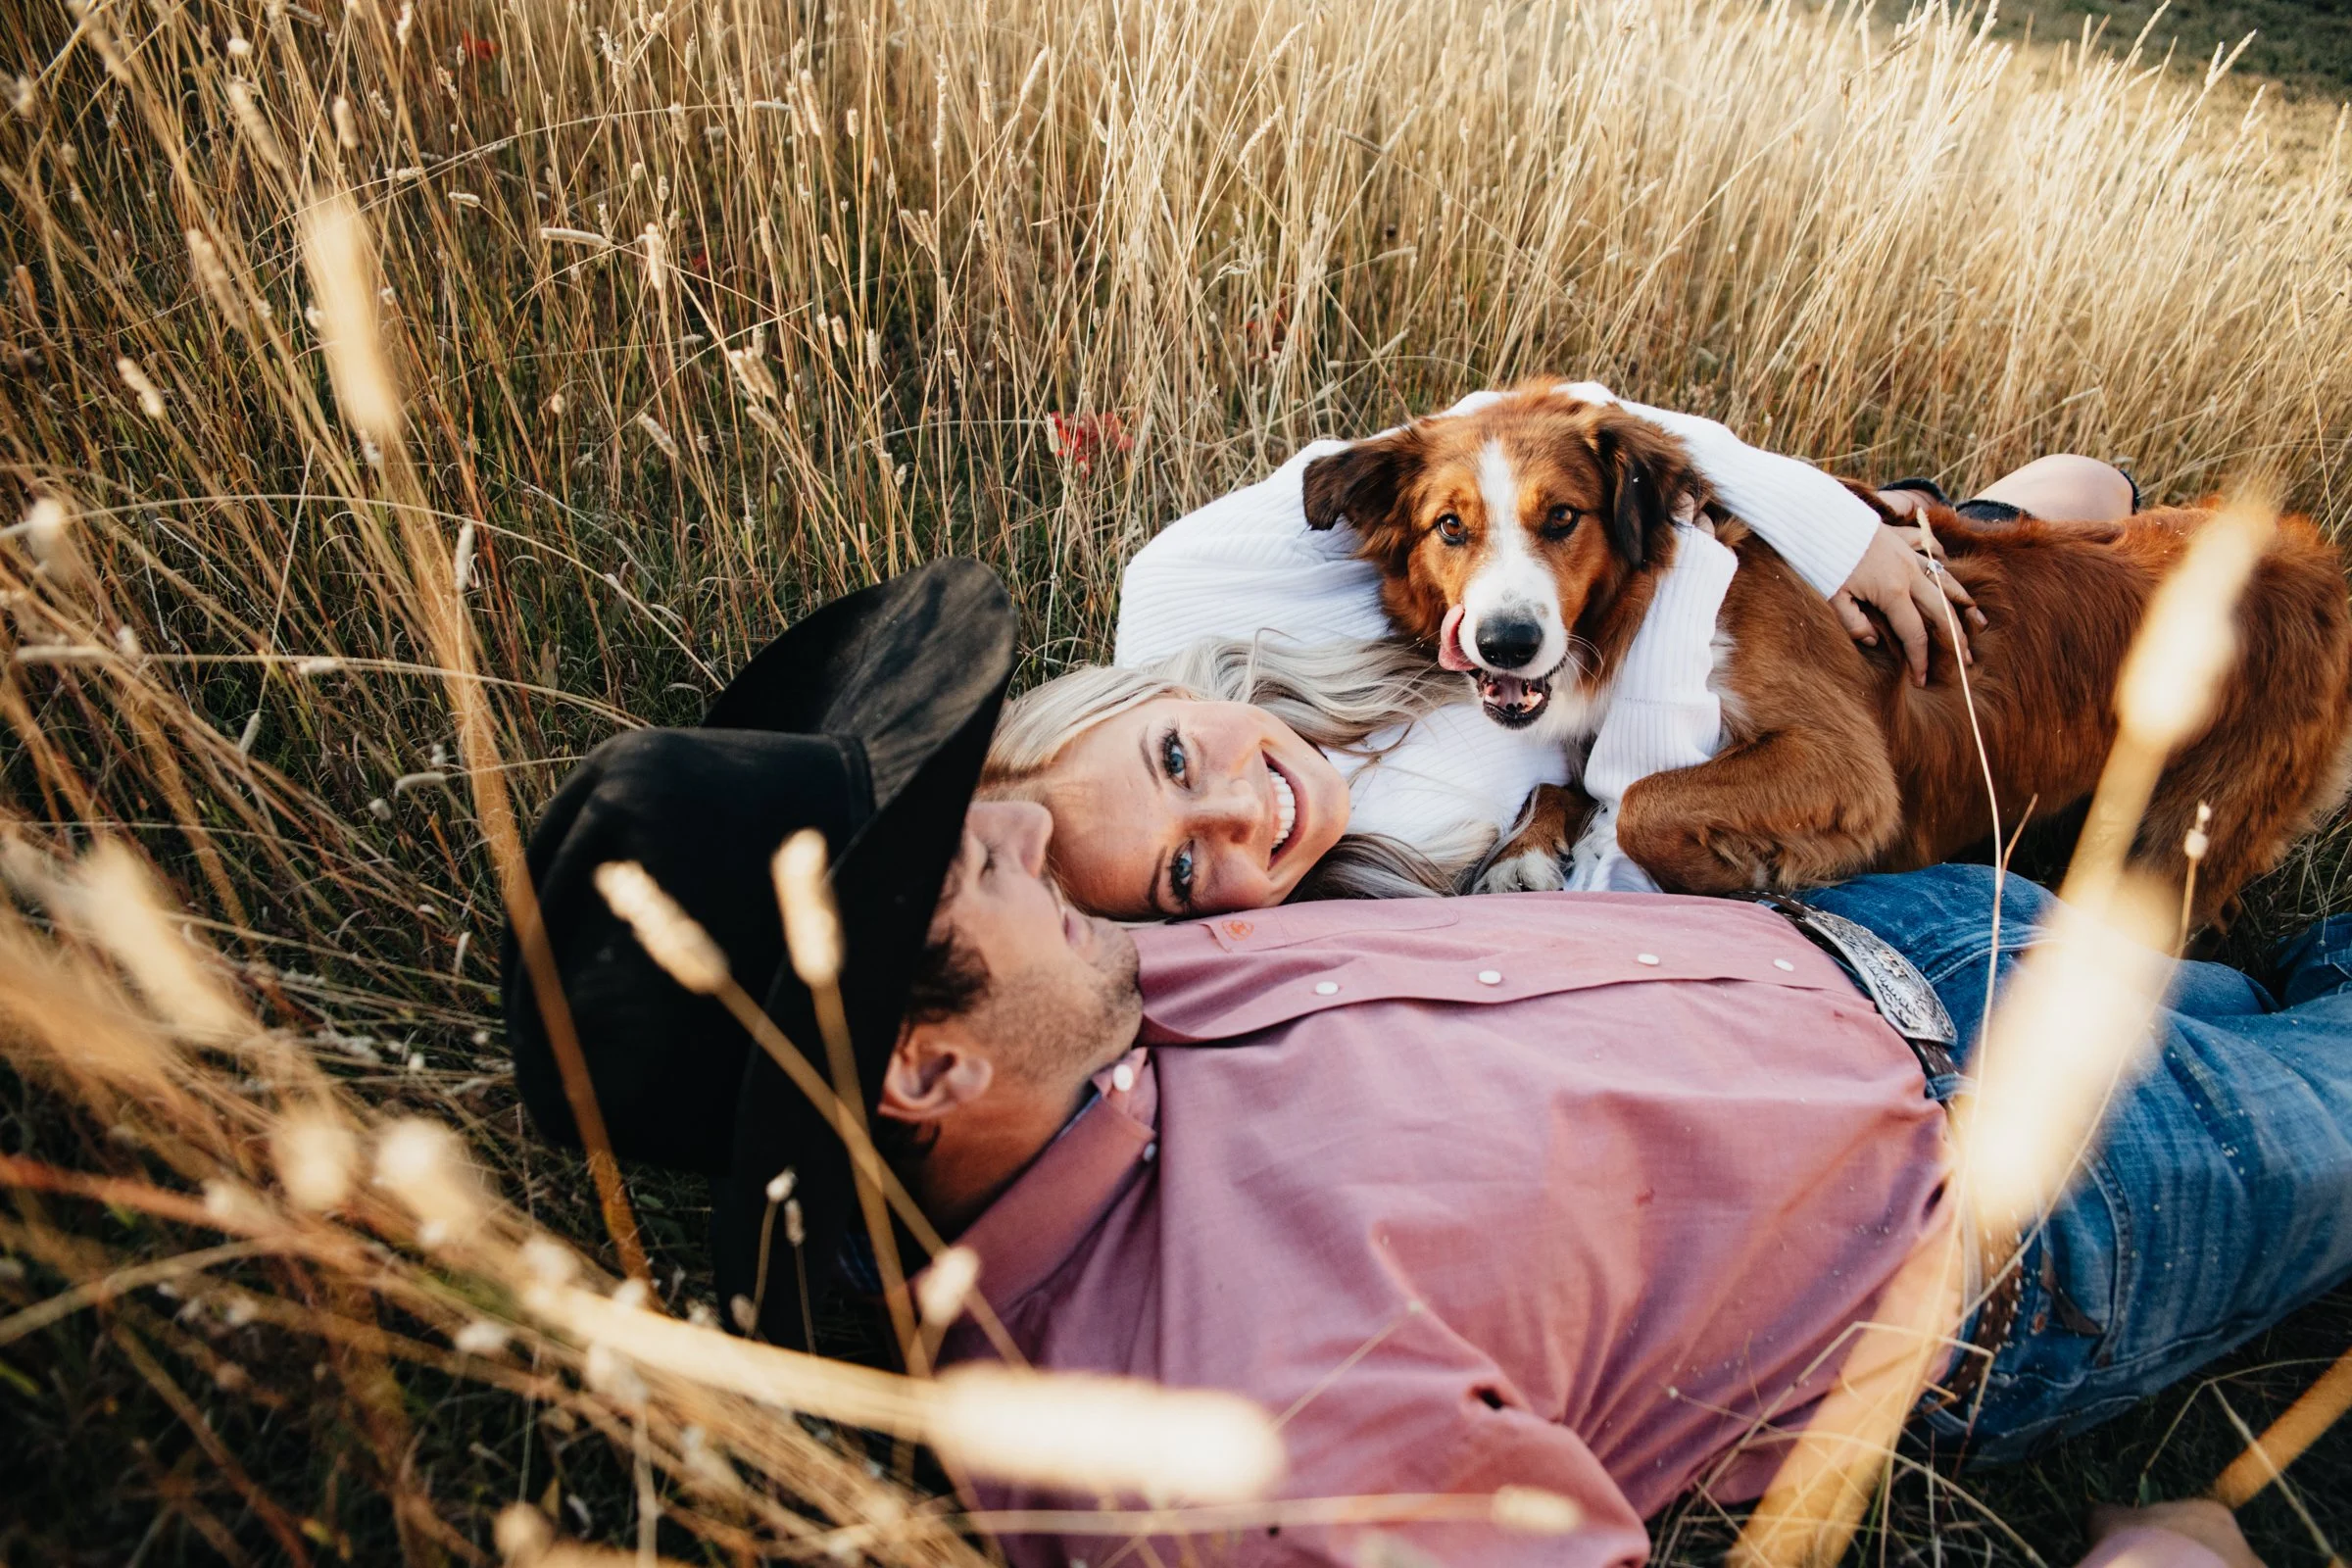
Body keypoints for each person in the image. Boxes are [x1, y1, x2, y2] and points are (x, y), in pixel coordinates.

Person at [508, 561, 2332, 1568]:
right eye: (959, 866)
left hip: (1899, 933)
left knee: (2277, 990)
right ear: (919, 1070)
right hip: (2048, 1208)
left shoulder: (1086, 995)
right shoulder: (1224, 1447)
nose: (1014, 836)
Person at [984, 383, 2138, 916]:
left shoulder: (1187, 594)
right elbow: (1597, 821)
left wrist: (1837, 530)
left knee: (2035, 519)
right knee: (2078, 505)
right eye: (1184, 871)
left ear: (1126, 700)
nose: (1240, 809)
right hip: (1708, 693)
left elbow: (1538, 419)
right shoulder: (1355, 889)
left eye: (1176, 759)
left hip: (1734, 555)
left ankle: (1949, 508)